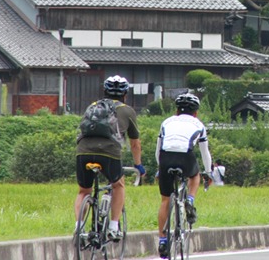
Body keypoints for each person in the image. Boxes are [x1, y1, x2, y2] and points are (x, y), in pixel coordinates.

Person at [75, 75, 145, 241]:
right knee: (118, 185)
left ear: (104, 91)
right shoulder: (128, 111)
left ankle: (79, 228)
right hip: (109, 153)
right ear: (125, 94)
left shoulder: (92, 106)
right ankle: (113, 226)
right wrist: (138, 165)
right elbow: (135, 144)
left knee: (84, 190)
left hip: (83, 151)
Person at [156, 93, 213, 259]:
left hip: (166, 158)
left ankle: (162, 240)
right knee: (194, 176)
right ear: (195, 112)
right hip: (185, 157)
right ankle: (190, 199)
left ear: (176, 111)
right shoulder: (199, 125)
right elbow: (205, 153)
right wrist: (208, 173)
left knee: (165, 200)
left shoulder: (166, 122)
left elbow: (158, 149)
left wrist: (160, 168)